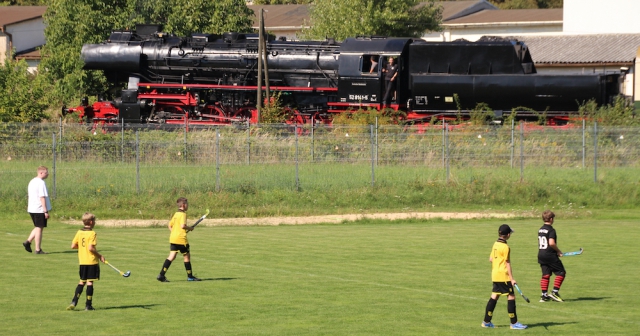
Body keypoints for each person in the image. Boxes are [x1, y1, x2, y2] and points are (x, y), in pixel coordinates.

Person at [481, 224, 527, 330]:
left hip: (495, 274)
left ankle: (486, 321)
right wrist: (512, 278)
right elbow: (507, 263)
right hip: (503, 276)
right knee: (511, 296)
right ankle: (514, 323)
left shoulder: (495, 244)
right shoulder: (506, 247)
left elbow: (491, 259)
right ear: (508, 234)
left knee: (494, 296)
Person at [157, 197, 201, 282]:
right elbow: (182, 226)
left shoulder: (176, 214)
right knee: (186, 256)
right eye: (187, 204)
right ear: (184, 205)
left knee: (171, 256)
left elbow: (169, 225)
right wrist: (190, 228)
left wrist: (174, 232)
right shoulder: (183, 214)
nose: (188, 206)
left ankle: (161, 275)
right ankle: (190, 276)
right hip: (181, 239)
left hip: (173, 238)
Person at [67, 213, 104, 311]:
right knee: (90, 282)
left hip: (82, 261)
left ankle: (74, 301)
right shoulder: (92, 233)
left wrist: (82, 248)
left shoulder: (79, 232)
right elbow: (91, 248)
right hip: (91, 261)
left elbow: (73, 246)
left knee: (81, 281)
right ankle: (88, 305)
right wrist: (100, 256)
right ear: (91, 222)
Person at [538, 210, 566, 302]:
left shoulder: (541, 229)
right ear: (550, 219)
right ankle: (554, 292)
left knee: (546, 275)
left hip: (541, 254)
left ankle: (544, 295)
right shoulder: (551, 230)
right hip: (550, 255)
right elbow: (551, 243)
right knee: (561, 272)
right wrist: (558, 251)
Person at [23, 166, 51, 254]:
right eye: (46, 172)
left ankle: (28, 242)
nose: (48, 174)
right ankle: (38, 249)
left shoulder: (32, 181)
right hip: (39, 209)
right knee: (39, 228)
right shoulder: (41, 183)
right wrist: (45, 211)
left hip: (32, 208)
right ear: (41, 173)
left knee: (38, 226)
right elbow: (42, 197)